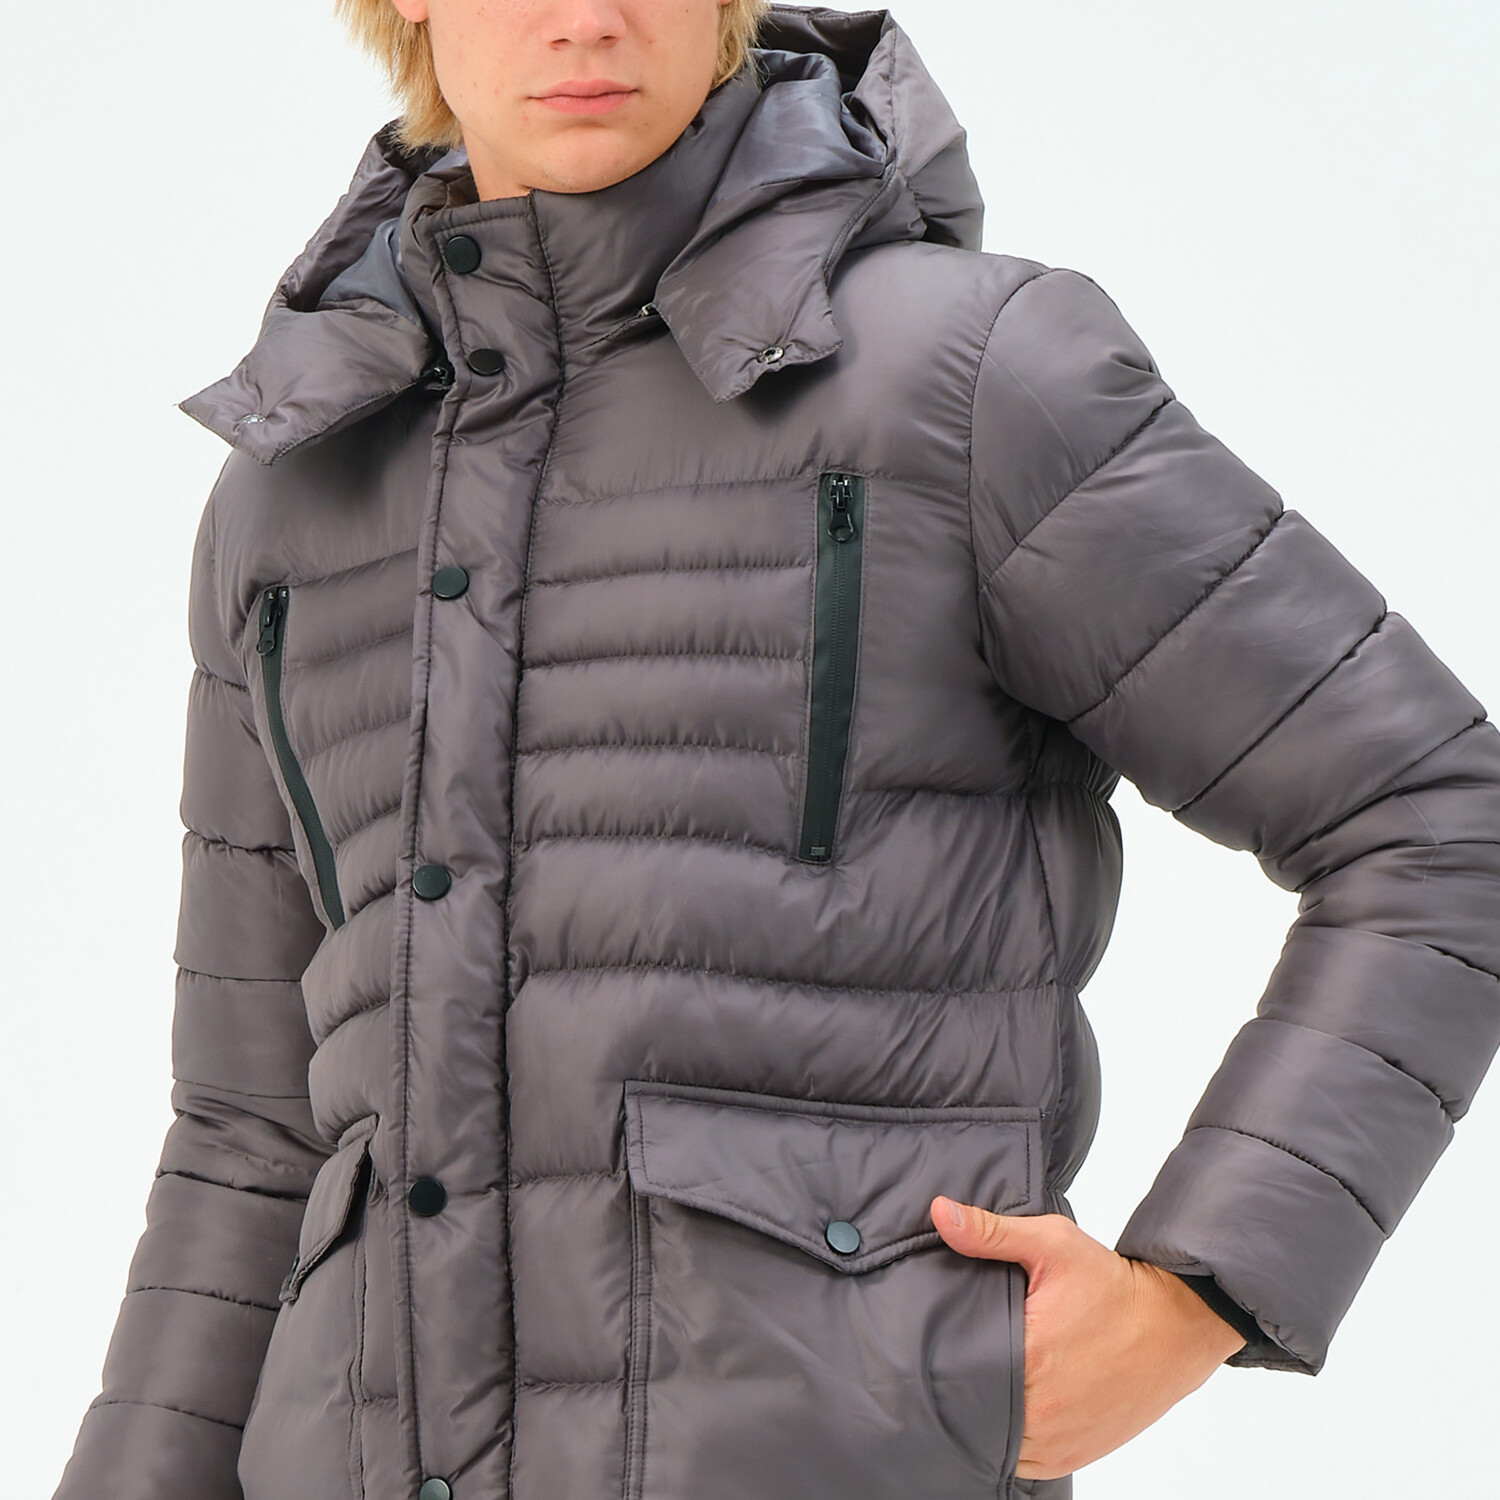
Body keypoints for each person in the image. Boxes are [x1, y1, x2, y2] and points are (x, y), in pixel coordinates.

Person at [50, 2, 1500, 1498]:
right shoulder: (290, 491)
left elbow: (1433, 817)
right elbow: (247, 1138)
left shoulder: (967, 380)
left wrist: (1198, 1292)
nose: (589, 19)